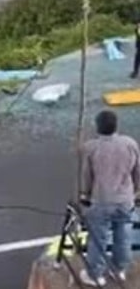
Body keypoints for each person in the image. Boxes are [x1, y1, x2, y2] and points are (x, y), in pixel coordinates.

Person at [78, 110, 140, 286]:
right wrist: (136, 191)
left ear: (97, 127)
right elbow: (138, 171)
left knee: (98, 238)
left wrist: (85, 195)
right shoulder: (130, 144)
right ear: (116, 126)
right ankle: (120, 269)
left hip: (101, 200)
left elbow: (87, 176)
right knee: (123, 235)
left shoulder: (91, 147)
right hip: (125, 199)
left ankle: (95, 274)